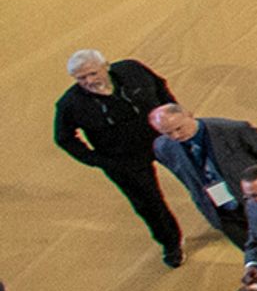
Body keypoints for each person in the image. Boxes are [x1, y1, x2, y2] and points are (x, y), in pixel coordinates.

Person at [54, 48, 185, 263]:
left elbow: (160, 86)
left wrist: (174, 117)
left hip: (165, 138)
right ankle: (171, 244)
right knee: (148, 203)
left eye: (93, 73)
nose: (89, 80)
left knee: (200, 176)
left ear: (106, 67)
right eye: (81, 78)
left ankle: (226, 215)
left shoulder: (132, 70)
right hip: (122, 159)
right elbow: (64, 138)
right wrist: (99, 161)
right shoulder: (70, 104)